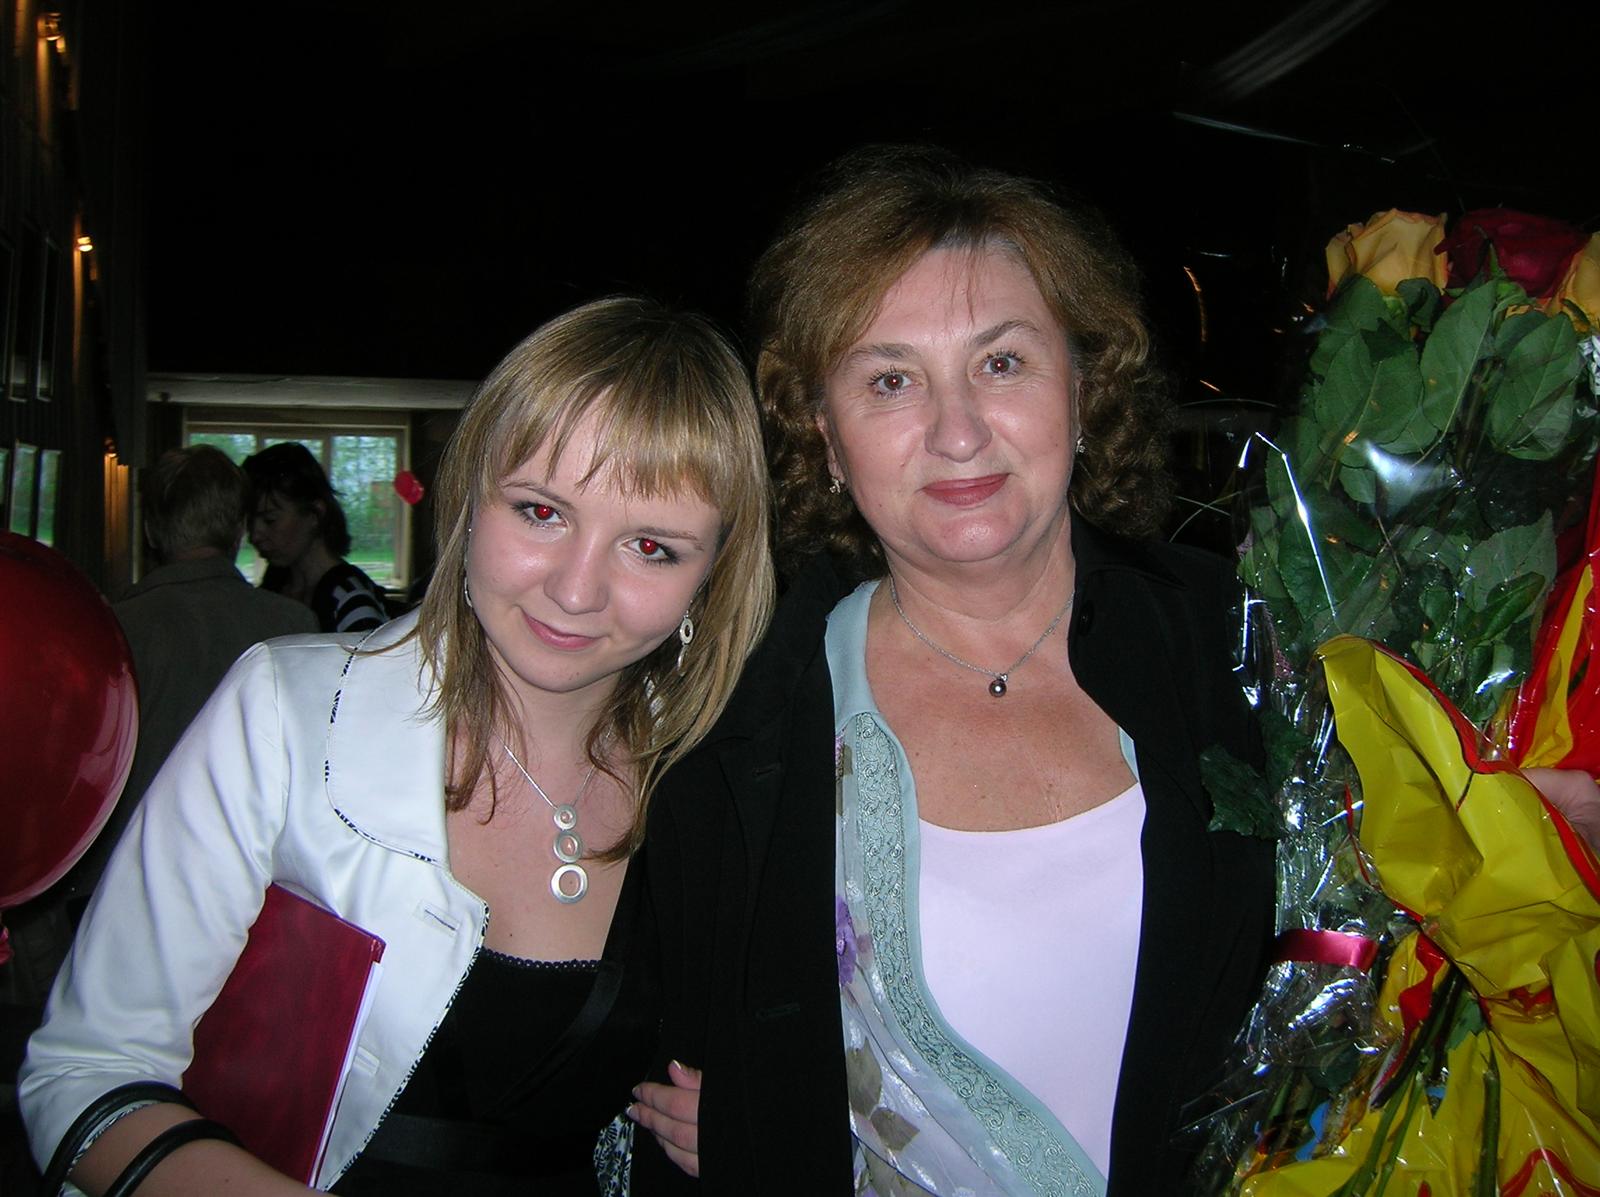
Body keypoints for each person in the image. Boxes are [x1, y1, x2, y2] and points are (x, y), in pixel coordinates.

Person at [20, 296, 774, 1195]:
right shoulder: (289, 714)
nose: (577, 590)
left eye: (651, 546)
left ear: (711, 576)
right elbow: (83, 1076)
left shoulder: (717, 781)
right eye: (540, 511)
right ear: (471, 499)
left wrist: (758, 1123)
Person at [634, 147, 1276, 1196]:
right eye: (890, 381)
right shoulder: (737, 716)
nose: (958, 431)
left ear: (1083, 387)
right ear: (824, 435)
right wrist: (778, 1126)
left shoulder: (1242, 645)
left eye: (1002, 363)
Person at [65, 445, 318, 906]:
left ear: (149, 529)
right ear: (238, 529)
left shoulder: (112, 631)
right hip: (257, 890)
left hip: (121, 888)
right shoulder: (295, 628)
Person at [242, 441, 389, 633]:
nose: (254, 536)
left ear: (315, 514)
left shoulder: (351, 600)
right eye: (249, 522)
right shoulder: (273, 585)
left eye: (270, 520)